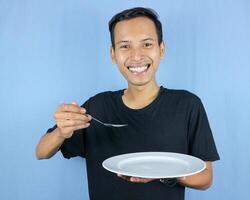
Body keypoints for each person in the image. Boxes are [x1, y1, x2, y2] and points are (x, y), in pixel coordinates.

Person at [36, 7, 220, 200]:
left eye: (147, 44)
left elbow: (206, 178)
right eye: (125, 46)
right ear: (113, 54)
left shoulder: (187, 105)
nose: (136, 55)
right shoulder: (97, 107)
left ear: (161, 49)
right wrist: (60, 132)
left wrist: (165, 175)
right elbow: (41, 152)